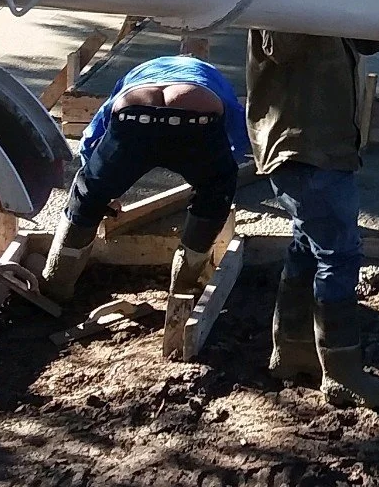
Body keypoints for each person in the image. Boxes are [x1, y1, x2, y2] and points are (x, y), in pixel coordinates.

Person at [248, 0, 379, 409]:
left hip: (323, 145)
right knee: (339, 254)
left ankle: (291, 351)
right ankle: (342, 371)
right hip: (303, 146)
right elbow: (283, 45)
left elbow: (370, 38)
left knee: (306, 245)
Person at [40, 54, 248, 303]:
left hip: (134, 115)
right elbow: (238, 133)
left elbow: (94, 134)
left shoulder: (138, 72)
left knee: (88, 196)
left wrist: (100, 185)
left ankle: (56, 283)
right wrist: (221, 175)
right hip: (197, 117)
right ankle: (184, 286)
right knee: (215, 191)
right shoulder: (209, 74)